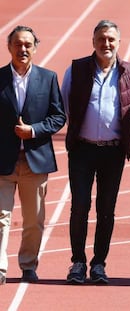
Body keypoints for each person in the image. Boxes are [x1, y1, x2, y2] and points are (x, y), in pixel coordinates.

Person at [61, 20, 130, 284]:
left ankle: (98, 264)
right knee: (80, 207)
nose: (106, 44)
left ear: (119, 42)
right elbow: (66, 104)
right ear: (93, 41)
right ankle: (77, 263)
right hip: (82, 150)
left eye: (111, 40)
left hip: (112, 153)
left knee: (106, 209)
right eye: (101, 39)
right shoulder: (76, 70)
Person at [0, 25, 66, 285]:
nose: (23, 49)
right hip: (2, 162)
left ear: (35, 48)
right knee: (1, 218)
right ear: (9, 47)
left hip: (34, 161)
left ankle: (28, 265)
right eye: (18, 44)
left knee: (33, 221)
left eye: (28, 44)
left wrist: (34, 131)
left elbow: (59, 116)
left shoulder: (48, 78)